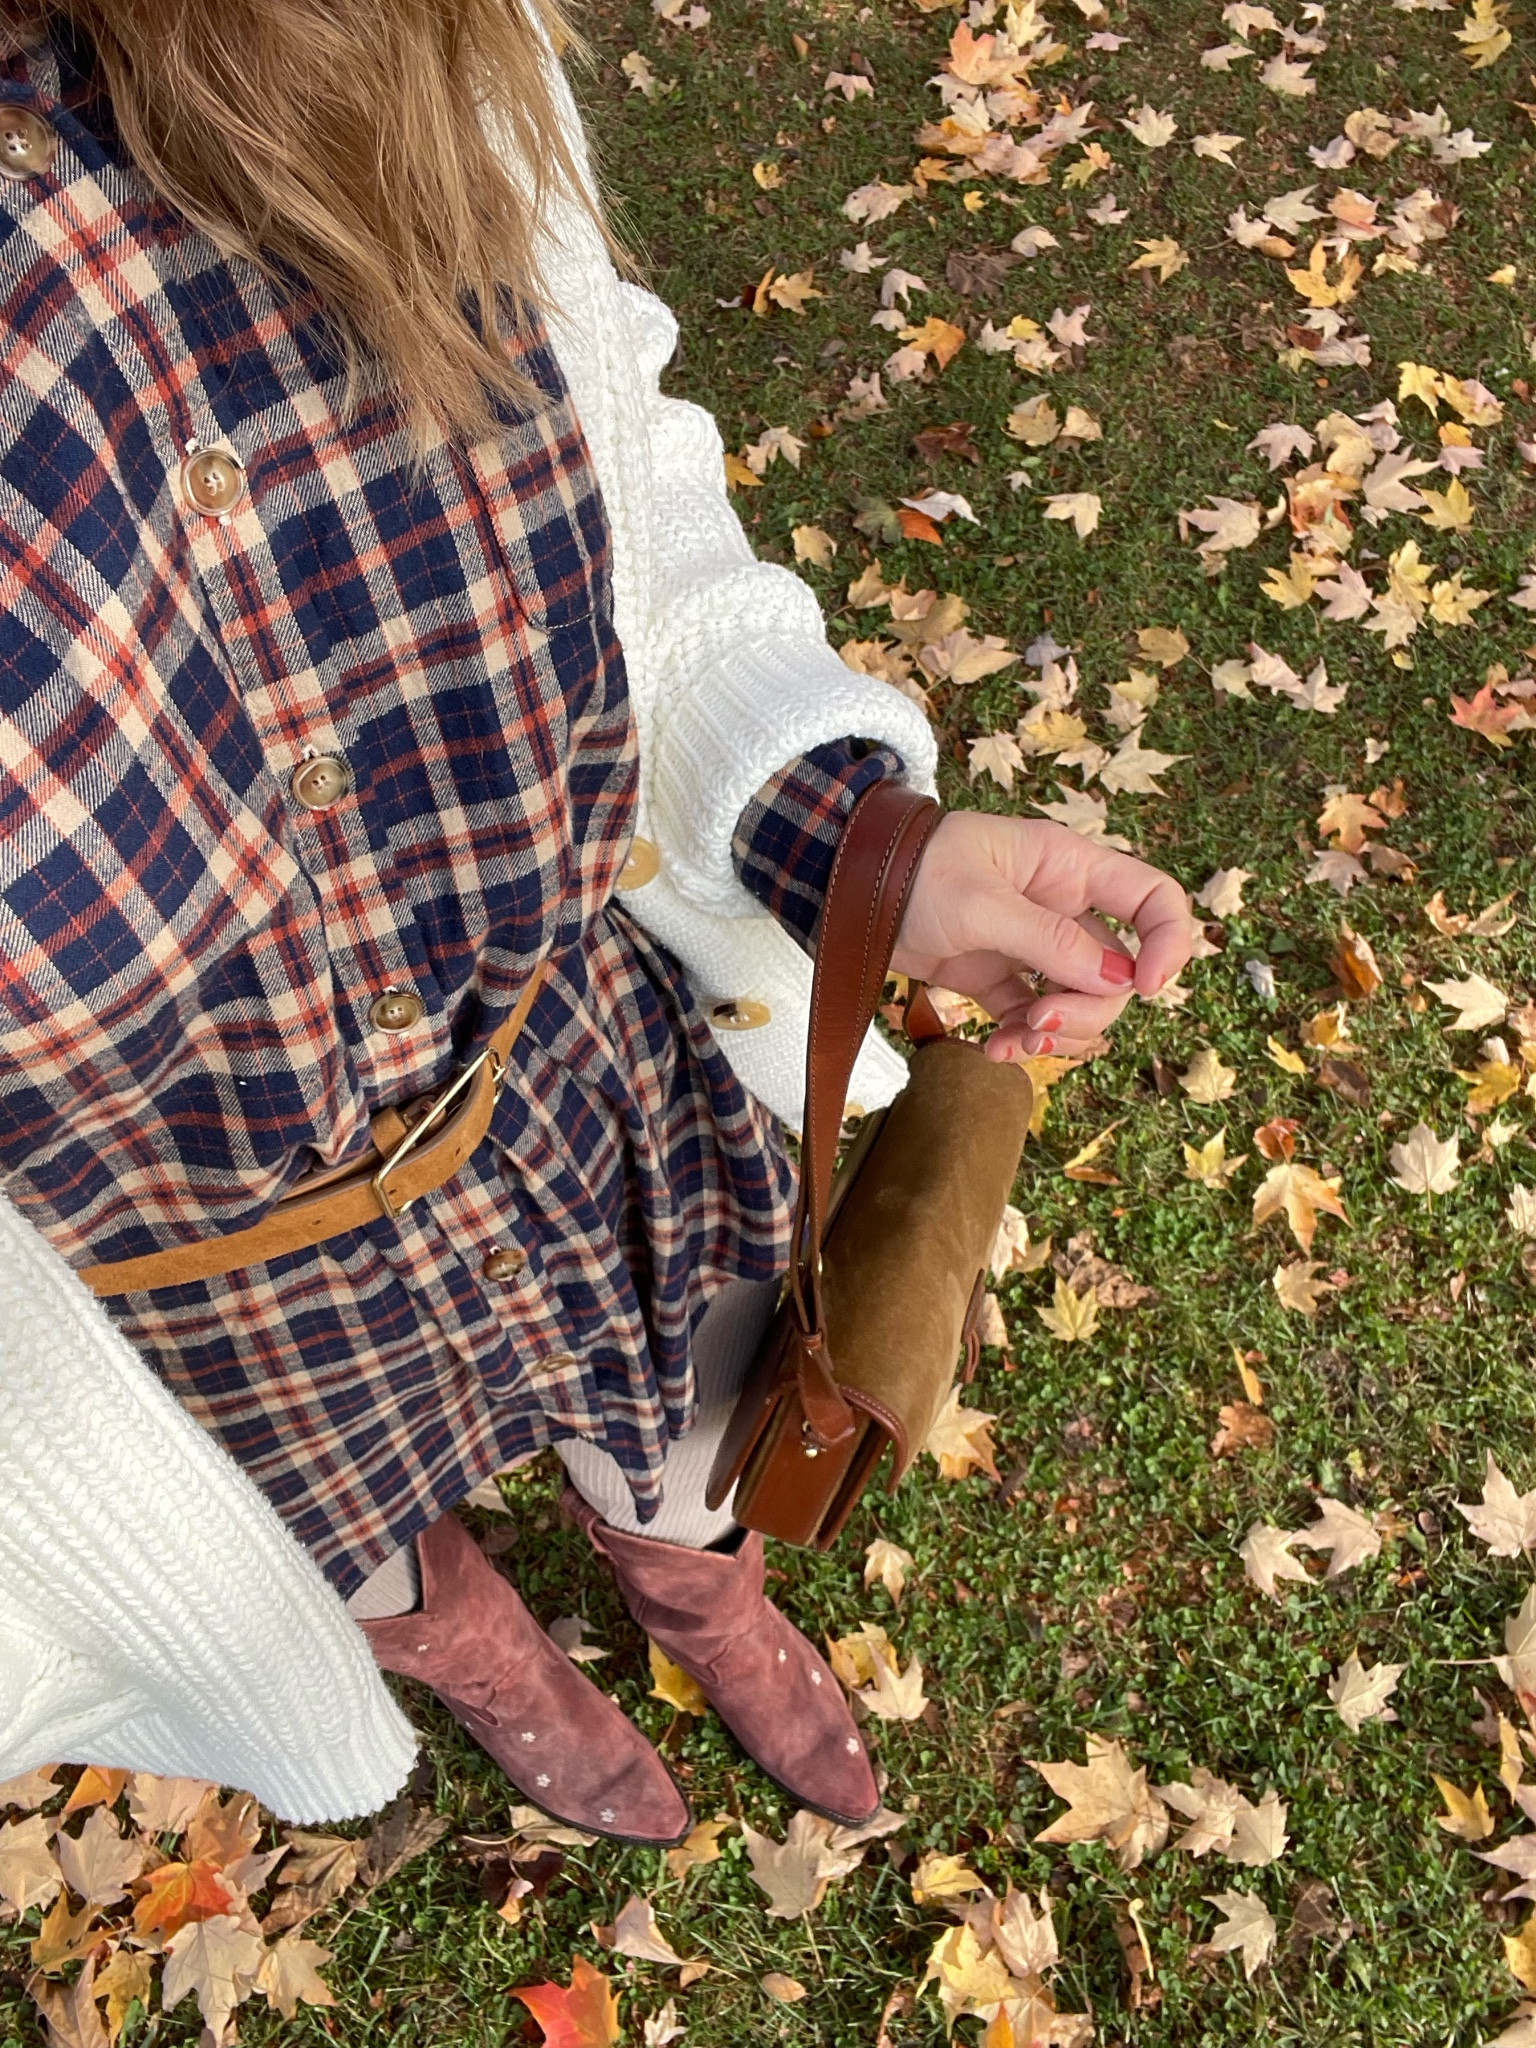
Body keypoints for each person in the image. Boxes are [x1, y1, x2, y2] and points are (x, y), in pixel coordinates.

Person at [0, 0, 1192, 1841]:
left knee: (690, 1404)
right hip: (167, 1274)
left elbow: (594, 441)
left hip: (556, 1067)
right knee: (353, 1532)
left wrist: (829, 833)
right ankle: (483, 1656)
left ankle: (700, 1594)